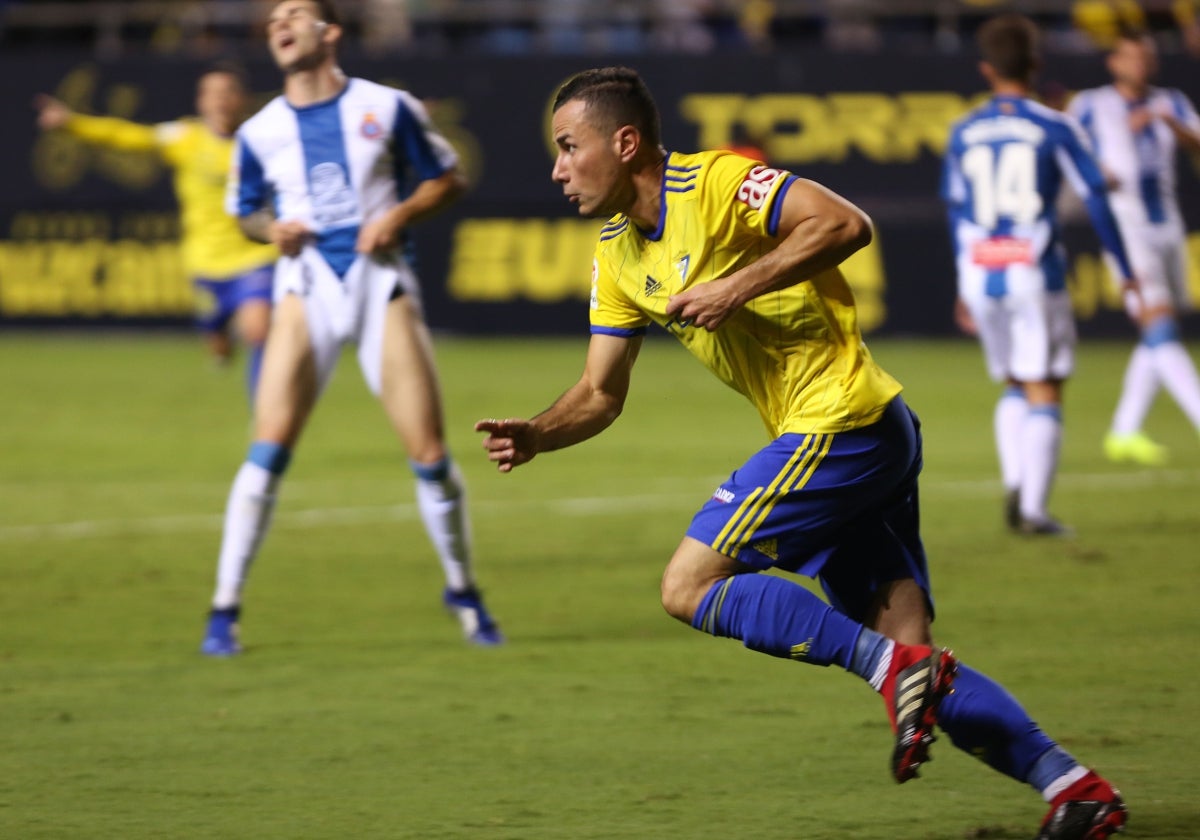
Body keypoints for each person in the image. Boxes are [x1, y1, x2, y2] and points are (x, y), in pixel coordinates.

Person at [475, 65, 1126, 839]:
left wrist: (735, 287)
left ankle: (892, 671)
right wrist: (540, 433)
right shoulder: (615, 254)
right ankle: (1074, 788)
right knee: (911, 654)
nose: (556, 169)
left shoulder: (717, 184)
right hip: (863, 435)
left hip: (841, 422)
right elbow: (598, 394)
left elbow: (845, 224)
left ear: (624, 142)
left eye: (567, 147)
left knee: (688, 585)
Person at [201, 0, 502, 655]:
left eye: (295, 13)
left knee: (428, 453)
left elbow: (449, 179)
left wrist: (397, 216)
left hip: (380, 281)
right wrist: (268, 229)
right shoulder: (260, 132)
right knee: (268, 447)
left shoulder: (386, 107)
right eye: (274, 17)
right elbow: (245, 211)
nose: (280, 24)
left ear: (329, 31)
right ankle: (224, 610)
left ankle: (463, 587)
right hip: (305, 286)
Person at [942, 15, 1138, 535]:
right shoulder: (1055, 125)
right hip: (1033, 270)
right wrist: (1125, 268)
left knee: (1013, 381)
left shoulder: (964, 130)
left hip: (982, 271)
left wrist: (963, 282)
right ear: (1037, 63)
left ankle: (1016, 480)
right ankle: (1032, 509)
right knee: (1045, 386)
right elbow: (1097, 196)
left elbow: (957, 210)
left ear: (986, 69)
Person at [34, 65, 278, 402]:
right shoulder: (185, 137)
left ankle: (266, 411)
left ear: (243, 99)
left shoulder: (261, 141)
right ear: (201, 101)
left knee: (259, 330)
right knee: (218, 343)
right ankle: (218, 340)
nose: (221, 101)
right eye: (213, 94)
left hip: (255, 255)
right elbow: (129, 136)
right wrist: (72, 123)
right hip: (206, 261)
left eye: (228, 93)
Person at [1067, 27, 1200, 466]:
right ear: (1114, 62)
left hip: (1167, 223)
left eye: (1146, 57)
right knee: (1159, 328)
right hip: (1127, 227)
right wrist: (1096, 175)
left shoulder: (1171, 102)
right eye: (1131, 57)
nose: (1139, 64)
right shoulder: (1091, 105)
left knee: (1158, 331)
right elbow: (1068, 155)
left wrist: (1171, 124)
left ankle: (1124, 430)